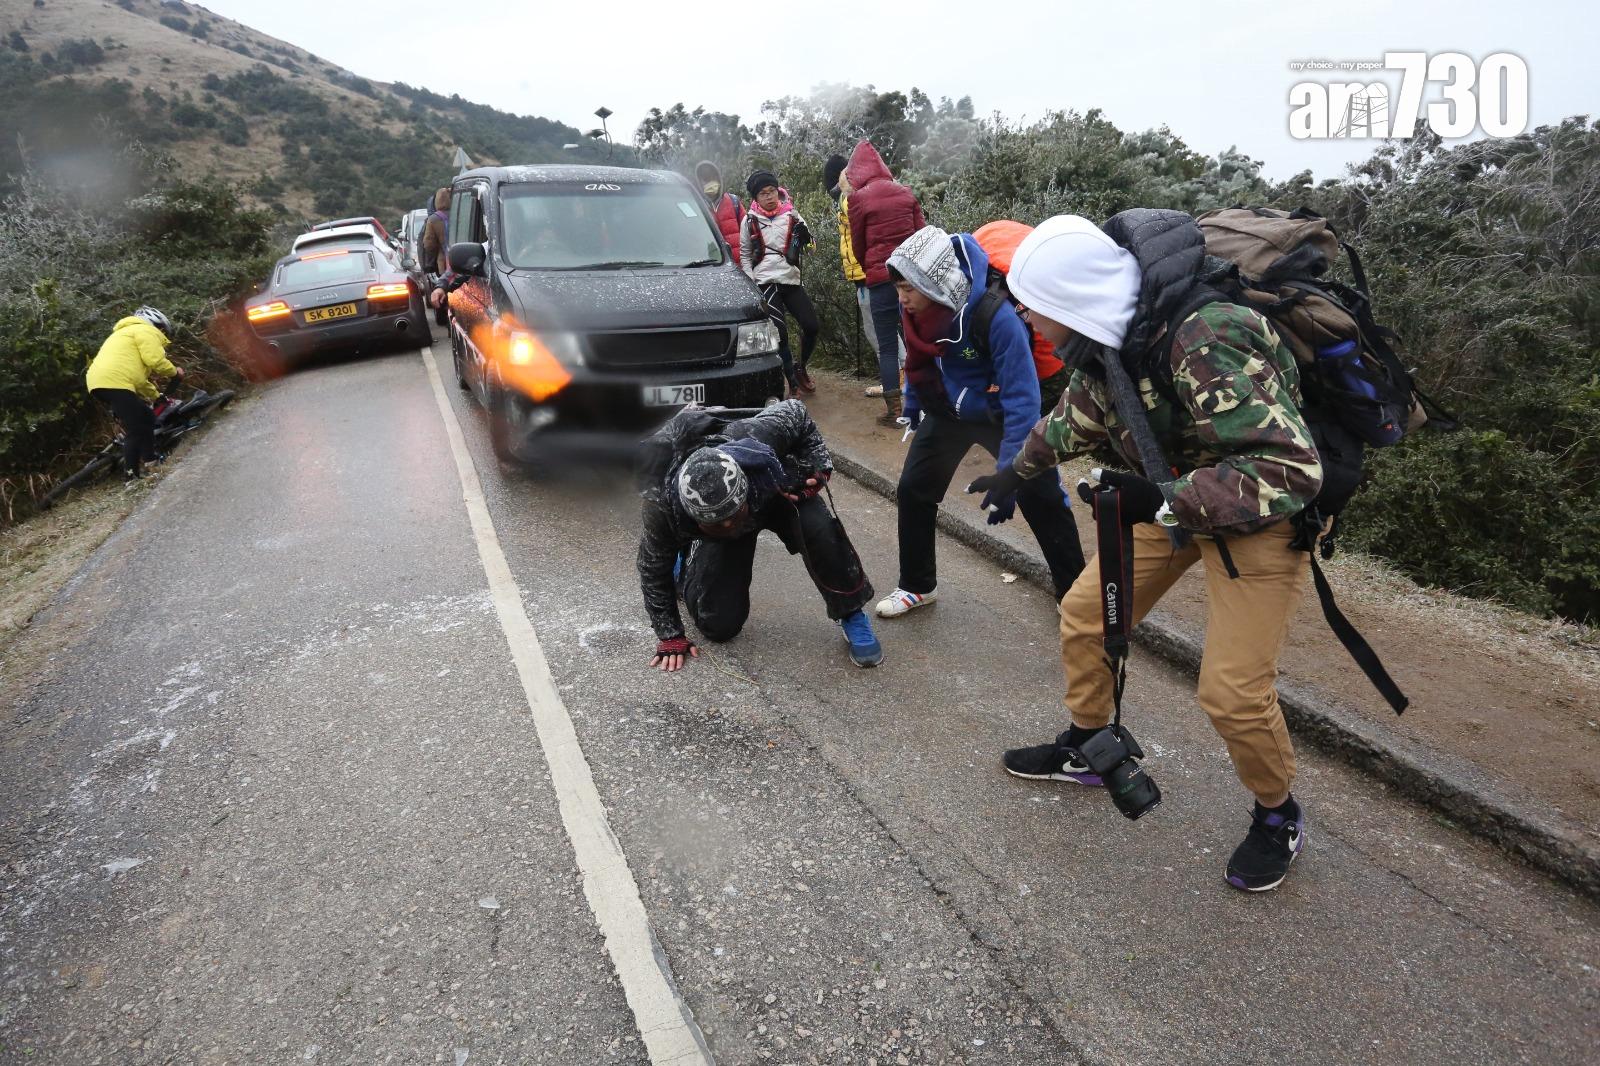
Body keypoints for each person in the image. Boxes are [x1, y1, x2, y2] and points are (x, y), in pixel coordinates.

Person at [973, 213, 1325, 893]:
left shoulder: (1207, 336)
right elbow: (1075, 416)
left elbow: (1291, 470)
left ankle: (1279, 813)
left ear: (1072, 299)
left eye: (1030, 300)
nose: (1020, 310)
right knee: (1083, 616)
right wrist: (1015, 473)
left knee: (1231, 692)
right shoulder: (1109, 341)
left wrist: (1163, 503)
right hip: (1172, 494)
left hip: (1258, 514)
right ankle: (1089, 744)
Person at [872, 226, 1086, 620]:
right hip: (947, 408)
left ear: (935, 283)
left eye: (908, 288)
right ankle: (917, 586)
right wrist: (914, 402)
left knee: (1042, 498)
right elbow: (919, 360)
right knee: (915, 490)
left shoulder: (996, 318)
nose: (900, 298)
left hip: (999, 412)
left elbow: (1023, 397)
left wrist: (1009, 472)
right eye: (898, 287)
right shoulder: (915, 309)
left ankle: (1074, 592)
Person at [636, 400, 883, 670]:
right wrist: (670, 635)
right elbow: (651, 568)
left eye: (733, 517)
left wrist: (819, 465)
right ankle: (685, 568)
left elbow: (797, 412)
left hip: (773, 490)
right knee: (719, 625)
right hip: (711, 517)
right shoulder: (662, 506)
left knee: (819, 527)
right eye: (719, 523)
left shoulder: (755, 435)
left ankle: (851, 612)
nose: (730, 526)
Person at [843, 139, 924, 424]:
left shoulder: (857, 199)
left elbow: (858, 245)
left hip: (879, 281)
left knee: (888, 346)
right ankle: (926, 406)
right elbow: (921, 235)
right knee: (919, 341)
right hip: (911, 278)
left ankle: (895, 411)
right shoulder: (905, 193)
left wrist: (872, 268)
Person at [825, 154, 905, 400]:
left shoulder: (852, 200)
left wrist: (860, 270)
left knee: (880, 336)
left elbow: (859, 241)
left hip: (868, 275)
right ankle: (905, 377)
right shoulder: (877, 195)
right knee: (893, 331)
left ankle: (897, 382)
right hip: (883, 272)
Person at [971, 221, 1070, 416]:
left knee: (1046, 407)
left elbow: (1046, 362)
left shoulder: (1038, 294)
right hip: (1001, 241)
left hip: (1005, 247)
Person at [741, 170, 819, 395]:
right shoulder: (749, 221)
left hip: (790, 279)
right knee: (780, 333)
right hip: (765, 282)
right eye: (763, 193)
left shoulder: (793, 215)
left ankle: (800, 367)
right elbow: (745, 255)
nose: (769, 196)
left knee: (812, 326)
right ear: (755, 198)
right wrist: (751, 283)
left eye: (772, 191)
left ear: (778, 191)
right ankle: (791, 379)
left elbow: (812, 249)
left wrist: (808, 239)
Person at [84, 307, 183, 479]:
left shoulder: (123, 334)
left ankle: (151, 462)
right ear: (154, 325)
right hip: (114, 382)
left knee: (147, 417)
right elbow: (156, 360)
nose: (161, 333)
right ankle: (130, 476)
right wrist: (175, 372)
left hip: (100, 382)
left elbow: (139, 380)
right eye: (161, 329)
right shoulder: (145, 330)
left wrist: (156, 396)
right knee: (136, 429)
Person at [696, 160, 744, 267]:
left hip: (740, 267)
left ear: (719, 179)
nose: (709, 183)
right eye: (705, 179)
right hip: (714, 268)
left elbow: (748, 232)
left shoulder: (734, 201)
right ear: (699, 182)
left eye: (712, 178)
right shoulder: (697, 206)